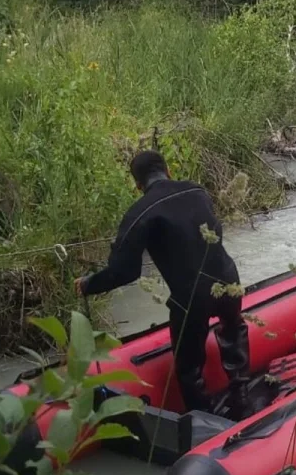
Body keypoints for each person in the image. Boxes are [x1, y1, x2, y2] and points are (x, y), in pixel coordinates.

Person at [76, 150, 250, 417]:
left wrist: (90, 284)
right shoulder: (197, 191)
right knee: (233, 329)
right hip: (229, 280)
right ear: (168, 170)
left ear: (137, 185)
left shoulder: (140, 212)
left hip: (191, 297)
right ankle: (242, 397)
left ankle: (204, 420)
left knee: (188, 367)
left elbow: (124, 271)